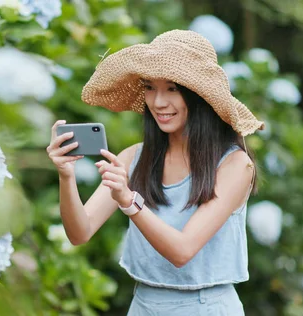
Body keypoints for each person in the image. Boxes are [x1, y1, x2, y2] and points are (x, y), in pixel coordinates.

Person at [46, 30, 264, 315]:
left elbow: (183, 251)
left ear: (199, 96)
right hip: (144, 304)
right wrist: (66, 175)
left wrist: (129, 200)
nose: (158, 102)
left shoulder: (235, 165)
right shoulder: (135, 157)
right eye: (150, 87)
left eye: (172, 88)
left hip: (205, 306)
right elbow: (80, 232)